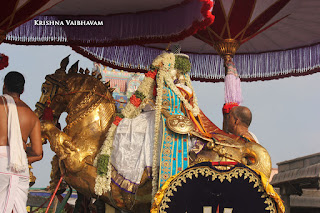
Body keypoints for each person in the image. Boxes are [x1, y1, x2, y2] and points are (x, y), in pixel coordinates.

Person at [0, 71, 43, 212]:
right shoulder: (32, 116)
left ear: (4, 86)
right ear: (22, 90)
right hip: (20, 168)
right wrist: (17, 152)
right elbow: (37, 152)